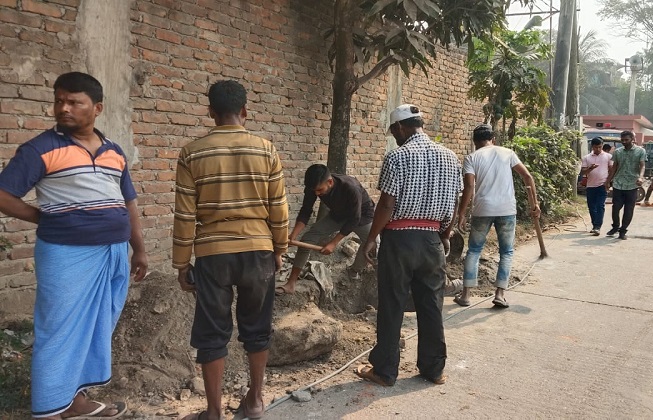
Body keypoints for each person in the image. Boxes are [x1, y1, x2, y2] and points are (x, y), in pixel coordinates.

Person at [0, 72, 147, 419]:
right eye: (59, 101)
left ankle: (74, 401)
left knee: (96, 327)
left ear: (96, 108)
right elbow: (4, 195)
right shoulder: (40, 148)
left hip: (113, 252)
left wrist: (139, 248)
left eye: (73, 102)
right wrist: (45, 217)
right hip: (67, 254)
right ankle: (49, 410)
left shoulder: (114, 151)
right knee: (59, 329)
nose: (63, 108)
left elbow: (129, 204)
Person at [172, 80, 289, 420]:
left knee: (212, 333)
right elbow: (278, 208)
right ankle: (254, 401)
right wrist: (279, 248)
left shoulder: (192, 152)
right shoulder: (266, 149)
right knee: (257, 327)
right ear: (245, 111)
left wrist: (182, 264)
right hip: (258, 251)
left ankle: (212, 412)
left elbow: (184, 215)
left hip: (212, 254)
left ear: (210, 112)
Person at [355, 104, 462, 387]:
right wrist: (445, 234)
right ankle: (433, 369)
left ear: (400, 128)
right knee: (431, 305)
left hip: (399, 241)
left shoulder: (397, 157)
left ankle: (385, 371)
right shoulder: (451, 157)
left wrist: (370, 239)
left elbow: (387, 203)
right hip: (432, 240)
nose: (393, 136)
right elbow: (453, 204)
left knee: (392, 304)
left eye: (393, 131)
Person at [453, 124, 540, 308]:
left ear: (475, 142)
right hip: (506, 209)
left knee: (474, 251)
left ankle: (466, 295)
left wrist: (461, 214)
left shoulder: (471, 157)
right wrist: (535, 204)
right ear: (493, 139)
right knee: (506, 252)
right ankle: (500, 294)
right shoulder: (507, 153)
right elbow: (527, 177)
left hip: (482, 209)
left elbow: (468, 187)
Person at [279, 164, 375, 295]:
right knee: (307, 239)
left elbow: (354, 219)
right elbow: (306, 210)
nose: (317, 194)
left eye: (320, 190)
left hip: (362, 215)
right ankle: (291, 283)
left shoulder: (350, 187)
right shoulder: (313, 188)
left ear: (330, 182)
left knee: (372, 243)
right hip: (338, 215)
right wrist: (293, 235)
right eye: (315, 191)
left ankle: (354, 271)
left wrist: (333, 243)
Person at [605, 131, 646, 240]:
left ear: (632, 139)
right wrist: (608, 181)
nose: (624, 142)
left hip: (632, 184)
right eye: (622, 140)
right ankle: (615, 227)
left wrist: (640, 177)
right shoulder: (618, 152)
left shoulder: (640, 151)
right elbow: (614, 168)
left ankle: (623, 231)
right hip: (618, 184)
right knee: (615, 208)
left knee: (629, 209)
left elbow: (642, 166)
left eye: (626, 140)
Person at [580, 137, 613, 234]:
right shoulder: (587, 158)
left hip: (602, 185)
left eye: (599, 147)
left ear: (602, 146)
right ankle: (594, 224)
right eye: (595, 147)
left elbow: (611, 170)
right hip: (590, 186)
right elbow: (582, 172)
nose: (597, 149)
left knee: (600, 205)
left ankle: (598, 226)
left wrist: (609, 182)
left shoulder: (608, 157)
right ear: (592, 147)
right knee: (591, 206)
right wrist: (590, 168)